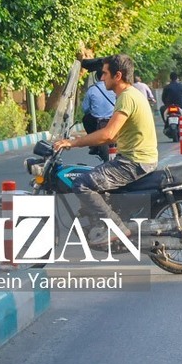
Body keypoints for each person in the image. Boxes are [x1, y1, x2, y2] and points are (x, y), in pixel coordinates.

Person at [53, 55, 157, 247]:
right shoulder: (129, 95)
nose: (101, 78)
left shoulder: (126, 97)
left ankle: (116, 227)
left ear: (118, 76)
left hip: (133, 162)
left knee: (82, 184)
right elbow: (115, 133)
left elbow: (109, 134)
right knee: (93, 176)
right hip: (134, 158)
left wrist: (73, 142)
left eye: (105, 74)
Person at [81, 70, 117, 161]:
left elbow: (85, 108)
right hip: (114, 119)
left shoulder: (92, 89)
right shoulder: (115, 89)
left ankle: (94, 144)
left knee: (86, 119)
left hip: (98, 121)